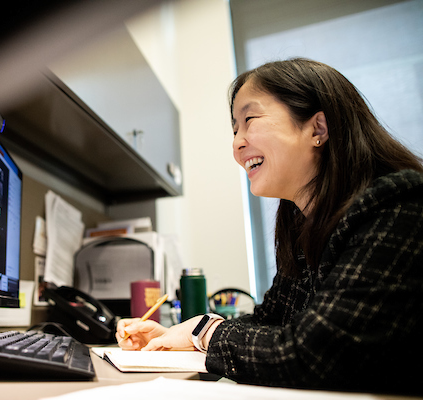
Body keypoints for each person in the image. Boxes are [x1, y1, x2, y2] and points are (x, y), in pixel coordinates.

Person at [116, 58, 423, 395]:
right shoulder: (304, 225)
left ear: (317, 129)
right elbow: (270, 321)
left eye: (250, 120)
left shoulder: (397, 204)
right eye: (235, 129)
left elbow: (312, 353)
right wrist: (189, 330)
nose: (236, 144)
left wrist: (204, 333)